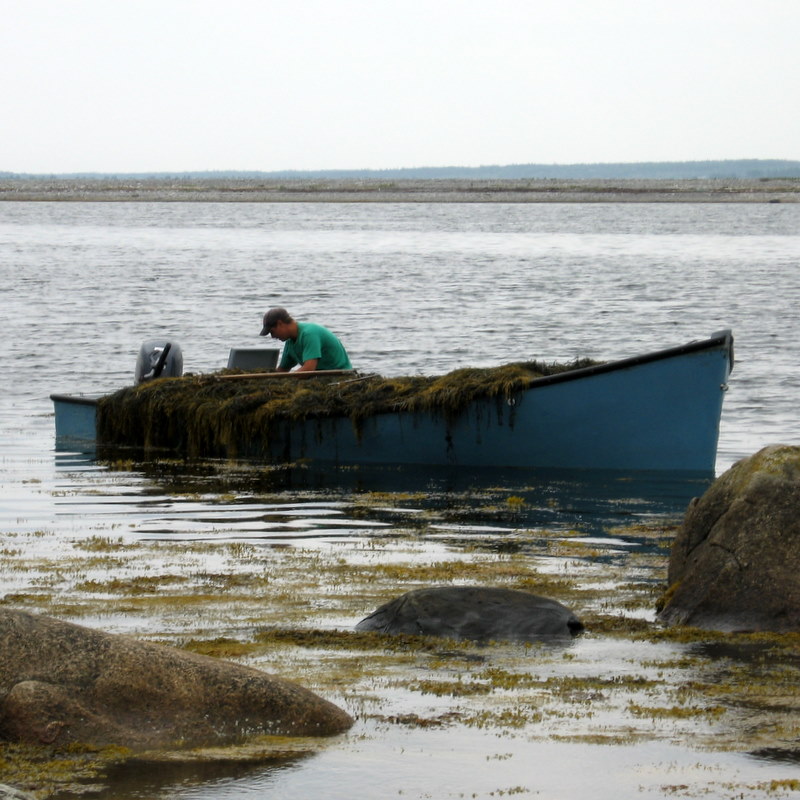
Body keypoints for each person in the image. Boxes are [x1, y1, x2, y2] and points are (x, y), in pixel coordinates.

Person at [259, 307, 353, 373]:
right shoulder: (290, 343)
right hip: (319, 377)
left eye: (272, 332)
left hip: (340, 375)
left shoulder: (309, 334)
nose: (272, 336)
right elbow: (282, 370)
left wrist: (288, 381)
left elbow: (309, 368)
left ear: (280, 324)